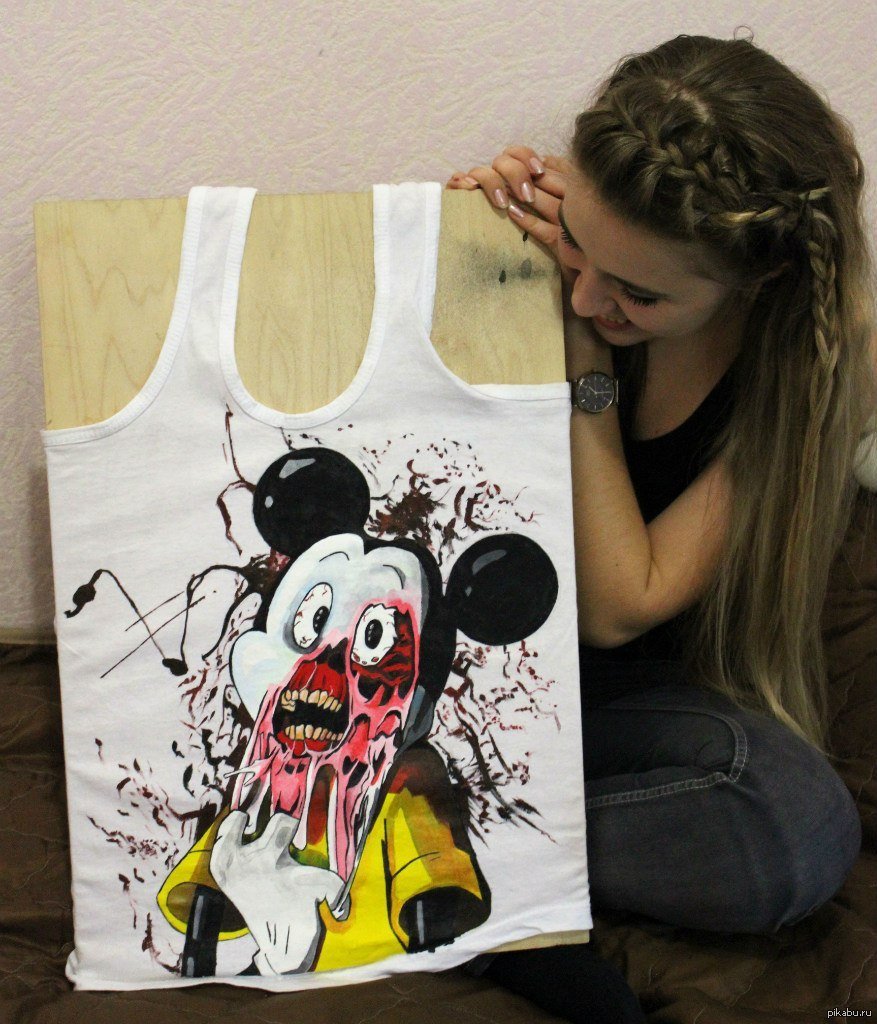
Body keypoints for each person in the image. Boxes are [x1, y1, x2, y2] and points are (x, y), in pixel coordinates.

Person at [447, 32, 875, 1024]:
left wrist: (583, 366)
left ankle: (457, 866)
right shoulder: (557, 251)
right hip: (459, 681)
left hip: (615, 710)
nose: (586, 296)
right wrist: (462, 234)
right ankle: (472, 881)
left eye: (637, 293)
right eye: (578, 248)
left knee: (796, 825)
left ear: (752, 282)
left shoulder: (804, 365)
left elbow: (620, 604)